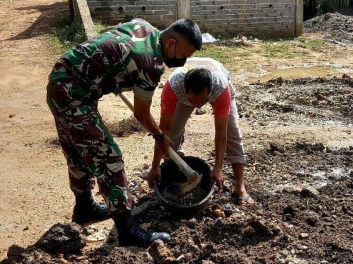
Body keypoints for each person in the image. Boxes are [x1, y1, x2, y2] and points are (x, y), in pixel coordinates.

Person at [47, 18, 202, 246]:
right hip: (73, 95)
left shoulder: (144, 27)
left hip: (62, 79)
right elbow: (141, 113)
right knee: (109, 159)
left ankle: (84, 207)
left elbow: (108, 37)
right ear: (170, 43)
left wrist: (108, 73)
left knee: (78, 151)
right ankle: (127, 231)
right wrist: (160, 137)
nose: (182, 61)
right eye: (183, 55)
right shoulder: (150, 64)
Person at [146, 57, 254, 206]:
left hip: (218, 91)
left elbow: (221, 132)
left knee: (232, 132)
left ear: (210, 91)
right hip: (182, 95)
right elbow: (164, 130)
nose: (198, 106)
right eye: (193, 101)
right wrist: (155, 166)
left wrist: (218, 168)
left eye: (203, 101)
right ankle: (172, 176)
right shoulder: (174, 86)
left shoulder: (220, 87)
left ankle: (240, 187)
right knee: (173, 133)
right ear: (185, 90)